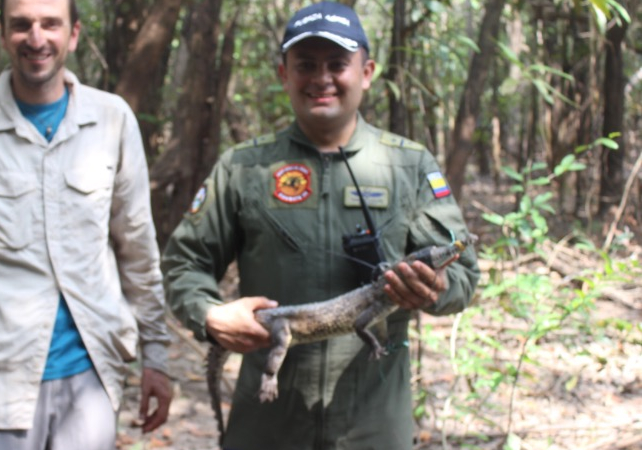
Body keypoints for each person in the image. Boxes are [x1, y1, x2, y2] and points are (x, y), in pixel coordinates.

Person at [161, 2, 480, 449]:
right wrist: (209, 315)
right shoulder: (244, 167)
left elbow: (464, 273)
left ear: (366, 72)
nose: (322, 78)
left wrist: (436, 288)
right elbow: (183, 264)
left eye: (337, 64)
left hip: (374, 422)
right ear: (283, 74)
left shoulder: (409, 164)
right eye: (305, 65)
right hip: (270, 421)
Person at [0, 0, 172, 448]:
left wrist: (156, 355)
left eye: (50, 24)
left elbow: (137, 249)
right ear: (3, 35)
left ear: (74, 34)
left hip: (89, 387)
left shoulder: (112, 120)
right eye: (21, 26)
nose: (36, 39)